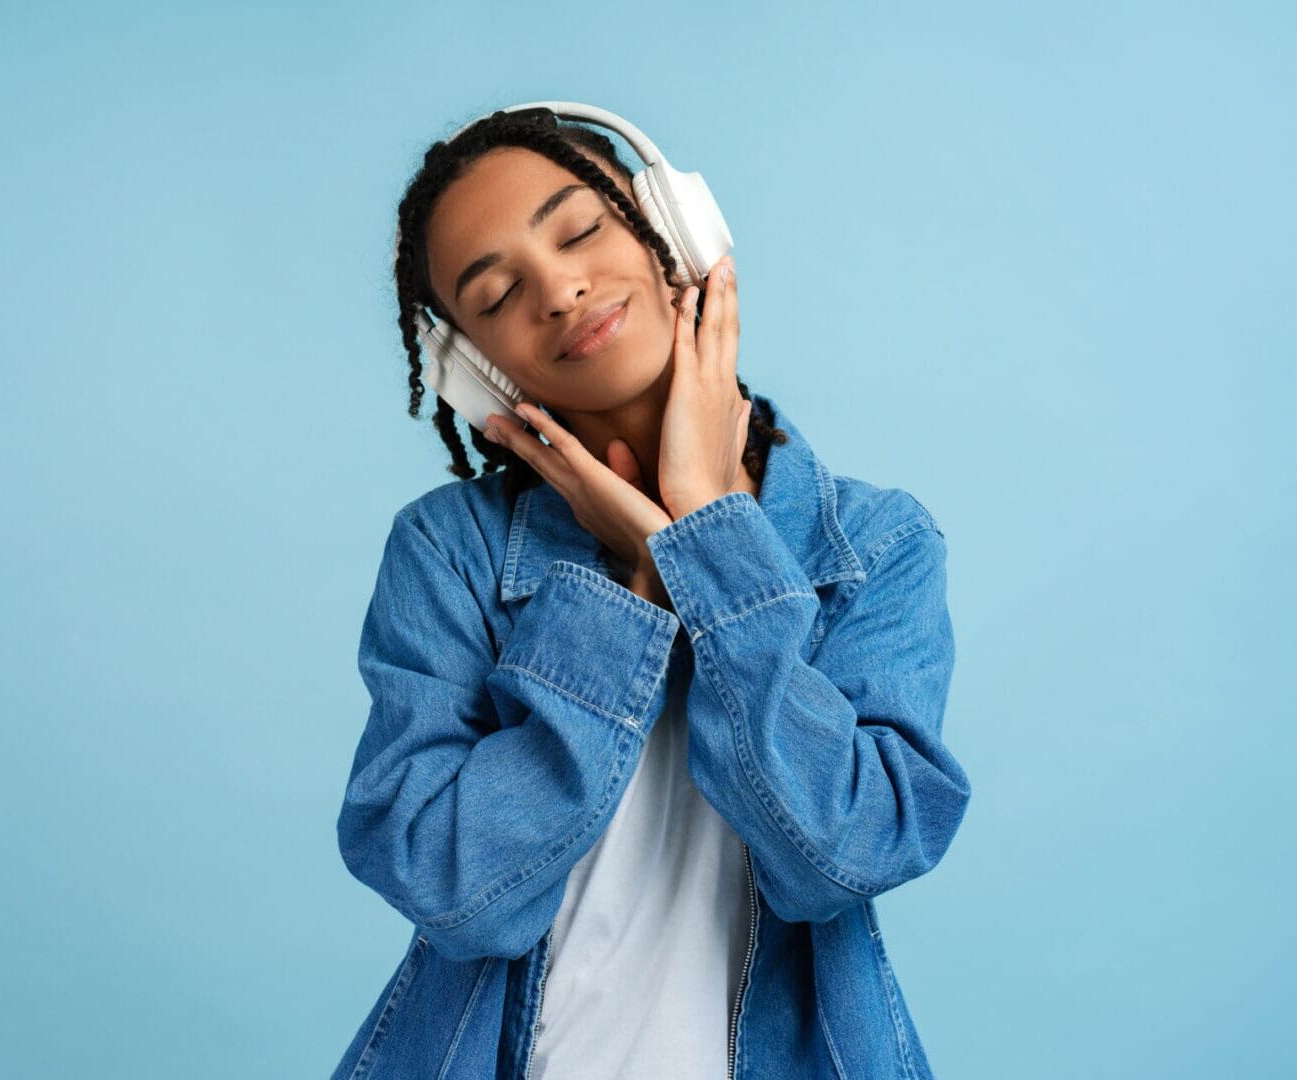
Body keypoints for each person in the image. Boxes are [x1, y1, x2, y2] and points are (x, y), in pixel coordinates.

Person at [331, 106, 973, 1079]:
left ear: (673, 232)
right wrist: (633, 582)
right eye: (497, 292)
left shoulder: (873, 546)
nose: (558, 288)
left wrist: (706, 536)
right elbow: (451, 887)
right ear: (472, 370)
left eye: (580, 230)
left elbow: (844, 856)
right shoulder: (445, 552)